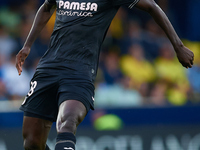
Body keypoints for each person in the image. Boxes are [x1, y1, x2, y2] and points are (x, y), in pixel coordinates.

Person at [15, 0, 194, 149]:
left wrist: (178, 46)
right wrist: (28, 45)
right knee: (31, 142)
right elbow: (47, 7)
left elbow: (151, 6)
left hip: (80, 71)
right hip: (48, 68)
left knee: (67, 121)